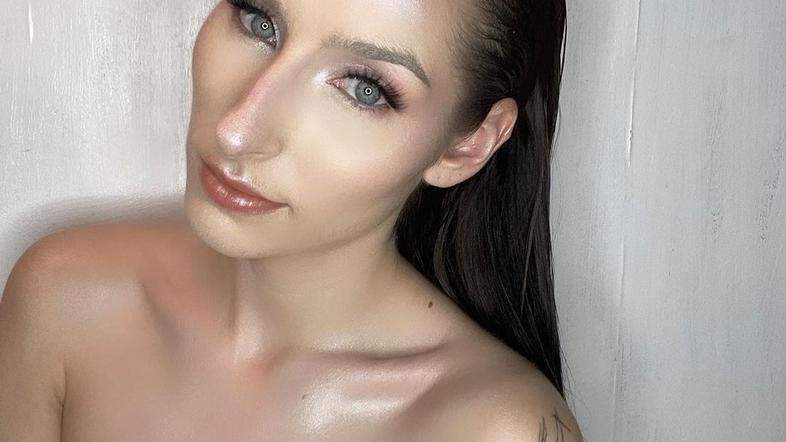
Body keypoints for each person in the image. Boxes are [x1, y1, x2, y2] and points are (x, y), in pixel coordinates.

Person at [0, 0, 582, 440]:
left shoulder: (495, 430)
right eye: (260, 23)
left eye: (364, 89)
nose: (236, 131)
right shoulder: (64, 299)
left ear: (468, 145)